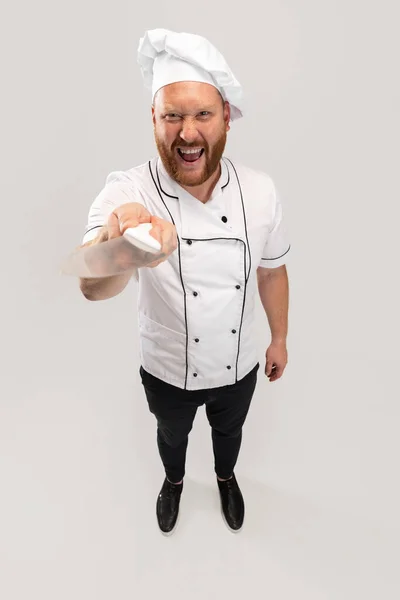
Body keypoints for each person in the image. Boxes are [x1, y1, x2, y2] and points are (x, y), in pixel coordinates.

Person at [78, 28, 291, 535]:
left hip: (238, 363)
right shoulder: (128, 190)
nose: (188, 133)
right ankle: (173, 481)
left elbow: (273, 269)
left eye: (202, 115)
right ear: (154, 119)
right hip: (168, 367)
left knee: (230, 430)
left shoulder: (260, 192)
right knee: (171, 433)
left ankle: (224, 475)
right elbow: (92, 283)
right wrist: (121, 241)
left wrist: (279, 338)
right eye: (172, 115)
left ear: (226, 120)